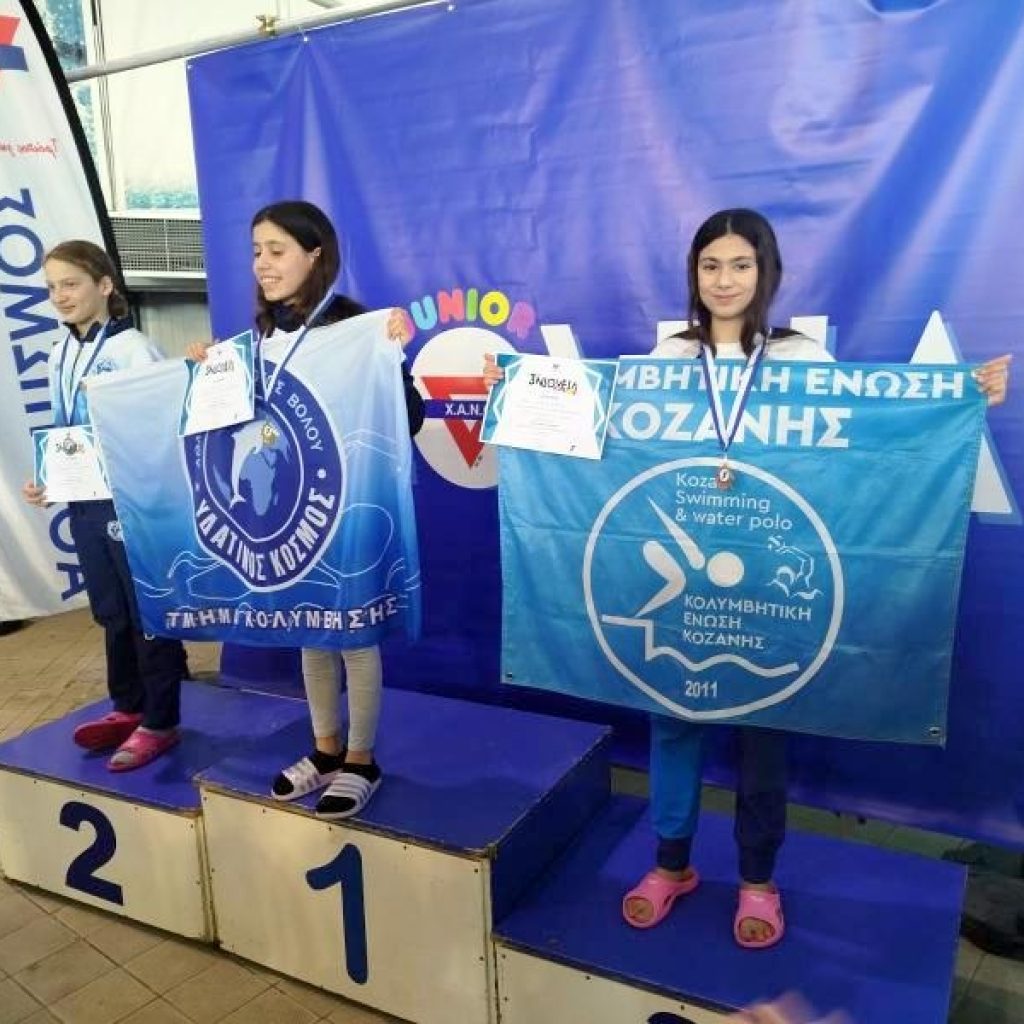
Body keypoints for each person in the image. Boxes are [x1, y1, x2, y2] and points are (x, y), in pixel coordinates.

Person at [484, 207, 1011, 948]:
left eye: (740, 265)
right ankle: (671, 865)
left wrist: (961, 395)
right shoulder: (668, 359)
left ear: (766, 273)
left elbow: (871, 432)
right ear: (693, 275)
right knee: (673, 723)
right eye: (710, 266)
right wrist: (514, 390)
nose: (724, 280)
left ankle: (758, 879)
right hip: (681, 581)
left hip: (766, 586)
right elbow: (594, 426)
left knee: (765, 738)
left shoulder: (798, 358)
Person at [187, 200, 424, 820]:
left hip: (346, 507)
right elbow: (236, 425)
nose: (262, 264)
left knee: (354, 636)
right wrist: (205, 376)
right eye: (256, 252)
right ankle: (325, 750)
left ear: (314, 254)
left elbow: (410, 418)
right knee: (310, 632)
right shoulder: (259, 338)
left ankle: (361, 760)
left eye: (277, 250)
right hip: (289, 513)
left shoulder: (356, 327)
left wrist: (392, 358)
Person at [23, 240, 187, 771]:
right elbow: (65, 427)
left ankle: (160, 719)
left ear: (105, 285)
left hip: (130, 502)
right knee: (110, 611)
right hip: (85, 502)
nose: (59, 296)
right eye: (51, 287)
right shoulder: (60, 353)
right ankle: (128, 705)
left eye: (70, 283)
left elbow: (160, 424)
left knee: (145, 613)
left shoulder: (134, 349)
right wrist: (51, 479)